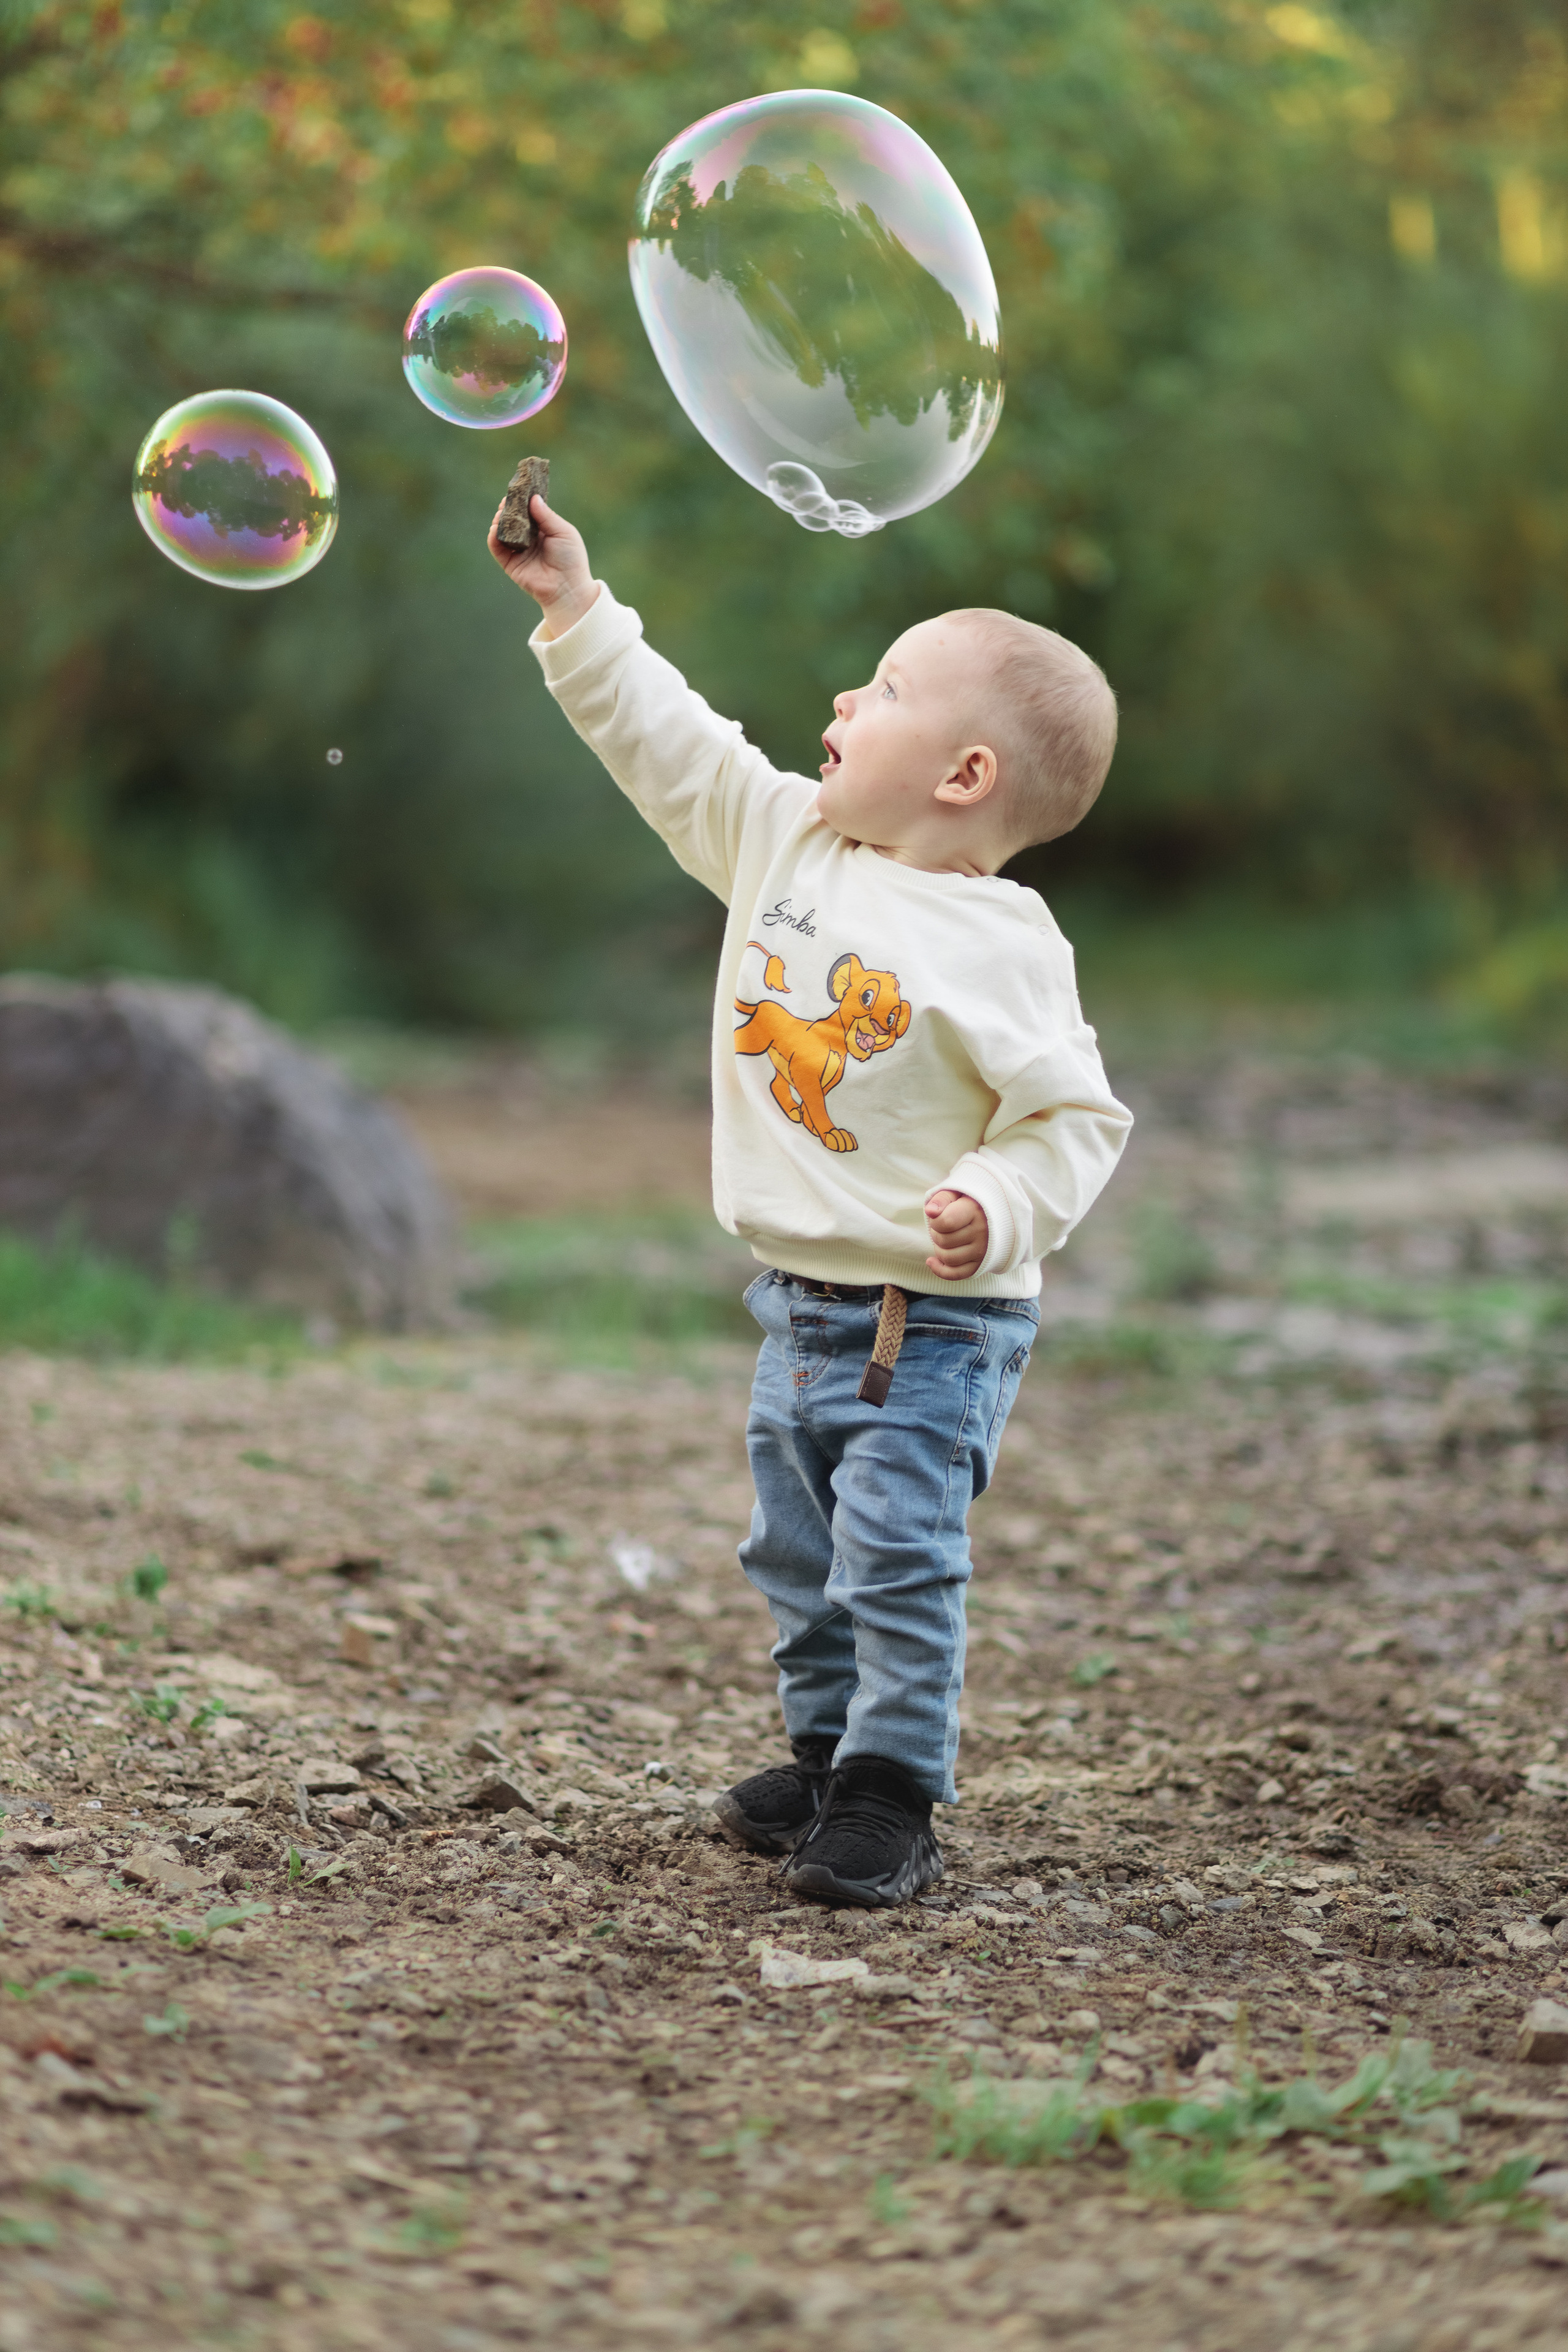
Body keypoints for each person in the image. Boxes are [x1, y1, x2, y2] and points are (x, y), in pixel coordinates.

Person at [489, 494, 1133, 1908]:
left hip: (933, 1325)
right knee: (795, 1551)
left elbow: (1073, 1122)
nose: (847, 694)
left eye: (887, 687)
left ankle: (892, 1796)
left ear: (962, 775)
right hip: (793, 1309)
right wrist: (573, 609)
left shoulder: (1006, 947)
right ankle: (829, 1751)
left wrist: (992, 1201)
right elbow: (669, 749)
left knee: (894, 1555)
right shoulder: (786, 844)